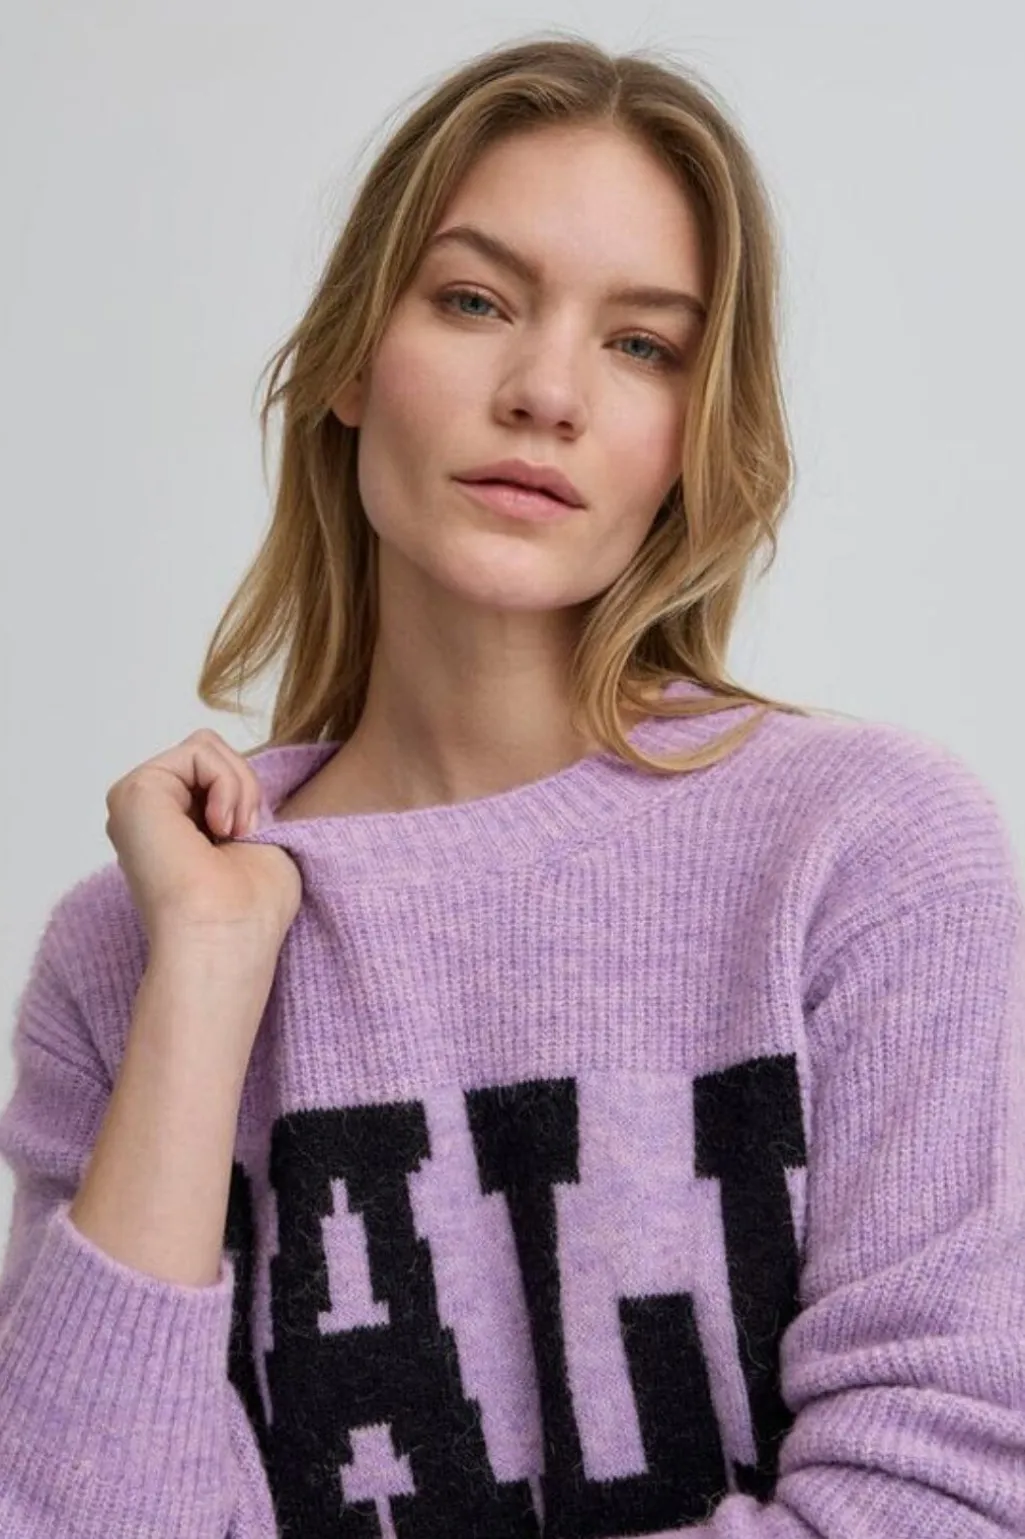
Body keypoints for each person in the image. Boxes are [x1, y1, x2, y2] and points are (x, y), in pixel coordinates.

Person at [1, 31, 1023, 1539]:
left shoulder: (865, 853)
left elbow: (938, 1499)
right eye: (475, 301)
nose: (547, 392)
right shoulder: (130, 948)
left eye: (643, 345)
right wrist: (206, 972)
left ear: (695, 437)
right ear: (351, 358)